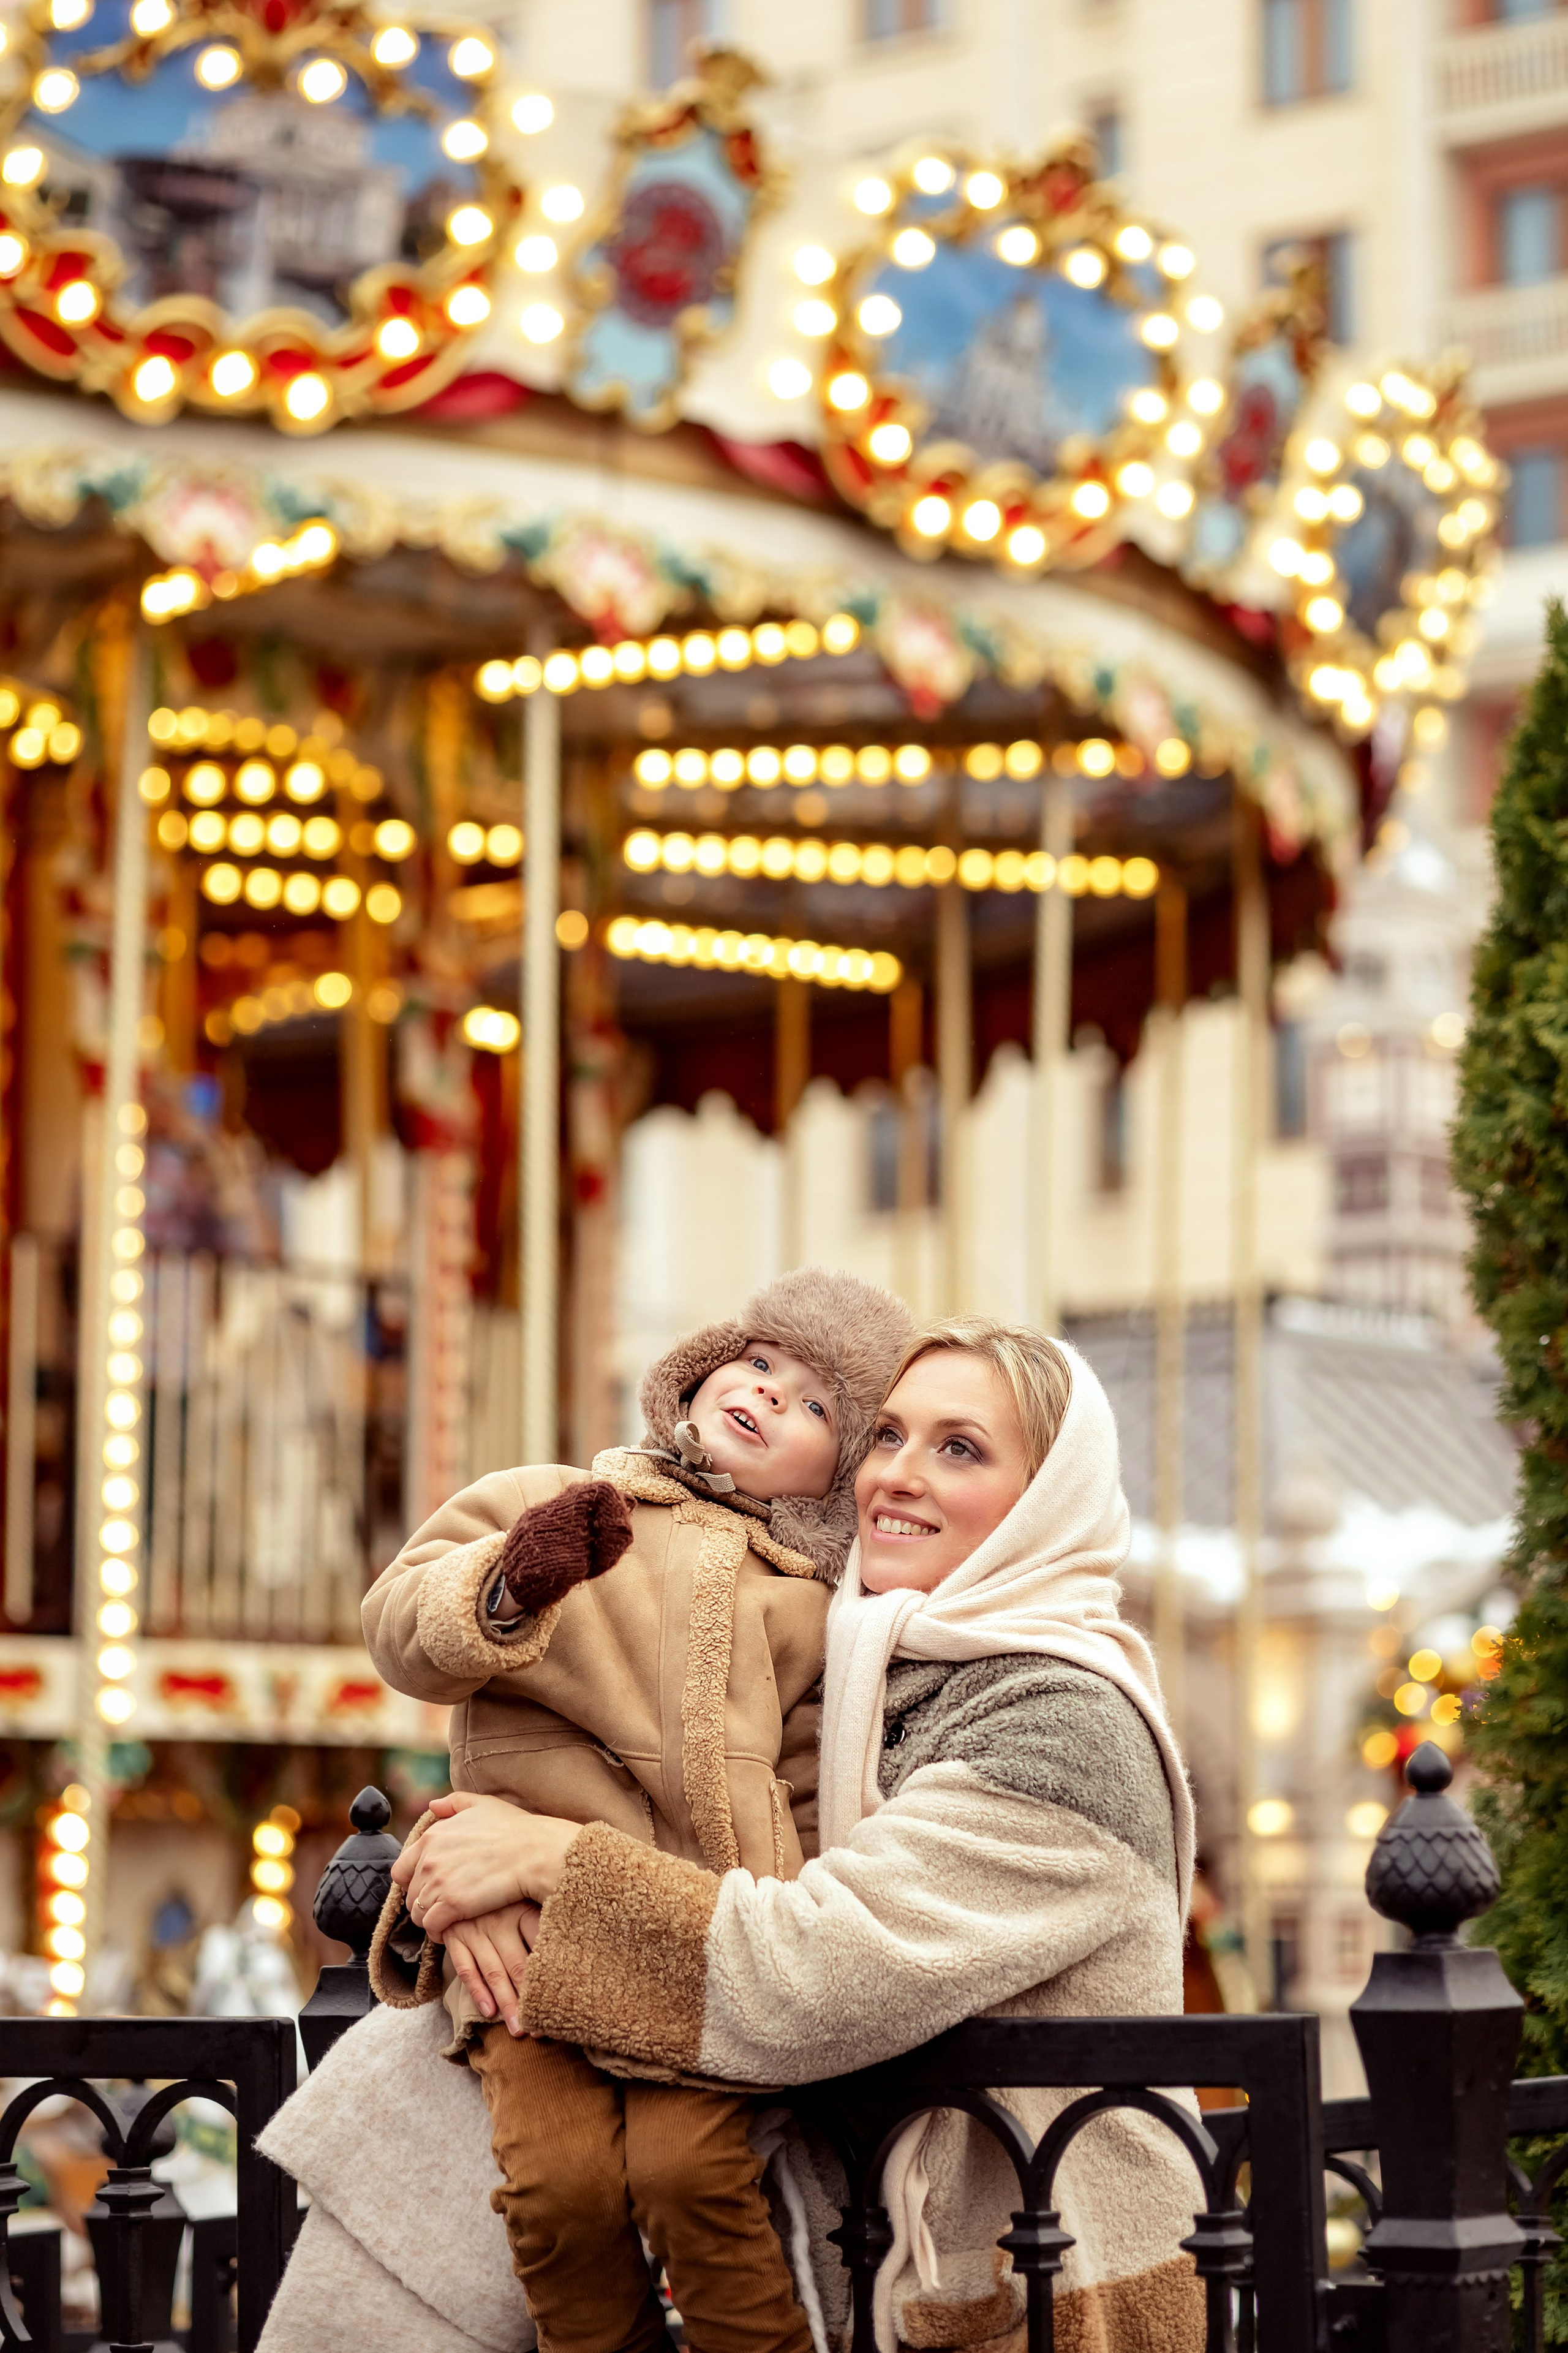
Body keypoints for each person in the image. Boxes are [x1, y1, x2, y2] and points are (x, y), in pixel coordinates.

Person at [395, 1318, 1204, 2353]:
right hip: (914, 2276)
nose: (899, 1475)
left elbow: (815, 1966)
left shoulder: (1061, 1722)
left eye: (959, 1448)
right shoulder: (875, 1666)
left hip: (1055, 2298)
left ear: (1048, 1501)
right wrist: (479, 1880)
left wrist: (542, 1862)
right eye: (888, 1436)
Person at [364, 1266, 914, 2353]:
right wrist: (509, 1583)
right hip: (526, 1933)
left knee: (692, 2175)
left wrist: (782, 1935)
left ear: (833, 1475)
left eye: (813, 1404)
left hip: (688, 1935)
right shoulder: (553, 1497)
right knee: (556, 2192)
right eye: (758, 1363)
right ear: (705, 1367)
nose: (765, 1395)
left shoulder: (803, 1603)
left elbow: (808, 1783)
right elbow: (397, 1621)